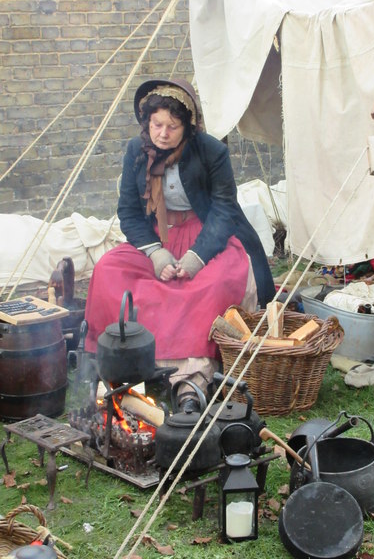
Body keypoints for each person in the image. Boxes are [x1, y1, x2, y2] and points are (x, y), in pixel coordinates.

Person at [84, 78, 275, 404]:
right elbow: (129, 213)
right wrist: (156, 254)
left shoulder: (212, 151)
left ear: (188, 125)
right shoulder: (136, 151)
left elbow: (224, 210)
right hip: (158, 237)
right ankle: (117, 359)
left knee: (214, 283)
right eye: (157, 124)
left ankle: (191, 374)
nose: (162, 133)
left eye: (172, 126)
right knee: (108, 269)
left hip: (207, 236)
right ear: (147, 123)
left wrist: (195, 258)